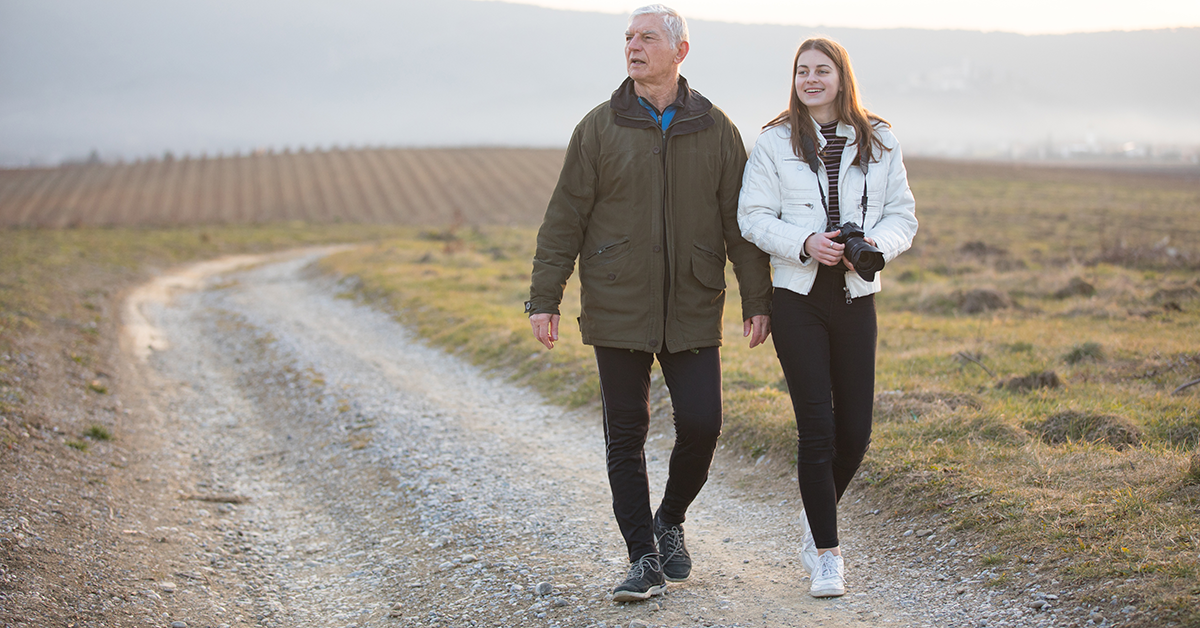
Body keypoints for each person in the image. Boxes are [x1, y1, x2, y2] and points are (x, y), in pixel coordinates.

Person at [526, 4, 773, 604]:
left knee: (703, 424)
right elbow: (564, 220)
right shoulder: (597, 128)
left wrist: (756, 297)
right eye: (628, 37)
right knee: (626, 434)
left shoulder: (715, 129)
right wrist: (544, 297)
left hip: (692, 304)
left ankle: (670, 519)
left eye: (647, 37)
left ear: (680, 51)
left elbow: (739, 226)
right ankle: (642, 557)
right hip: (617, 304)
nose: (633, 46)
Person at [737, 37, 918, 598]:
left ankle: (816, 515)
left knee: (856, 433)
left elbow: (902, 216)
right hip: (798, 299)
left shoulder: (880, 140)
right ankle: (826, 553)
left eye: (821, 70)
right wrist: (806, 242)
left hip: (856, 298)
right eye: (802, 71)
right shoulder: (773, 142)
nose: (810, 79)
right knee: (817, 429)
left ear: (842, 77)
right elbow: (752, 216)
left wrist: (875, 248)